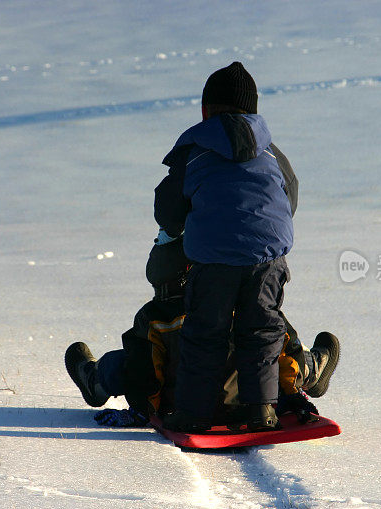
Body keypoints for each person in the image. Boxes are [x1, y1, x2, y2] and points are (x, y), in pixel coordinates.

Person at [153, 62, 328, 432]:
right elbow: (289, 196)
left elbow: (168, 209)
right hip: (267, 259)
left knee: (205, 333)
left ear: (205, 110)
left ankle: (195, 414)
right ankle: (261, 411)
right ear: (254, 111)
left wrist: (180, 227)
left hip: (213, 261)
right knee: (261, 333)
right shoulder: (272, 153)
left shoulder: (194, 151)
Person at [65, 236, 340, 430]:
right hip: (251, 402)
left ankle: (95, 381)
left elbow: (144, 374)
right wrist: (290, 395)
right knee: (275, 342)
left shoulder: (155, 317)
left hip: (181, 408)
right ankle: (312, 372)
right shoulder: (242, 305)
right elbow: (280, 348)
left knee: (125, 362)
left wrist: (147, 411)